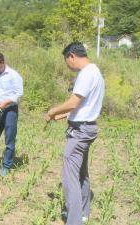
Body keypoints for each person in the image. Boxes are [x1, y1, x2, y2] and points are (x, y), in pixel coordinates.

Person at [45, 42, 105, 225]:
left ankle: (74, 220)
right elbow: (84, 106)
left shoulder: (86, 74)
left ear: (72, 56)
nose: (67, 65)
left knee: (69, 177)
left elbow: (73, 102)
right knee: (81, 173)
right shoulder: (96, 72)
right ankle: (84, 213)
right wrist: (64, 115)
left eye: (66, 61)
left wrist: (53, 111)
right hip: (88, 127)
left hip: (80, 132)